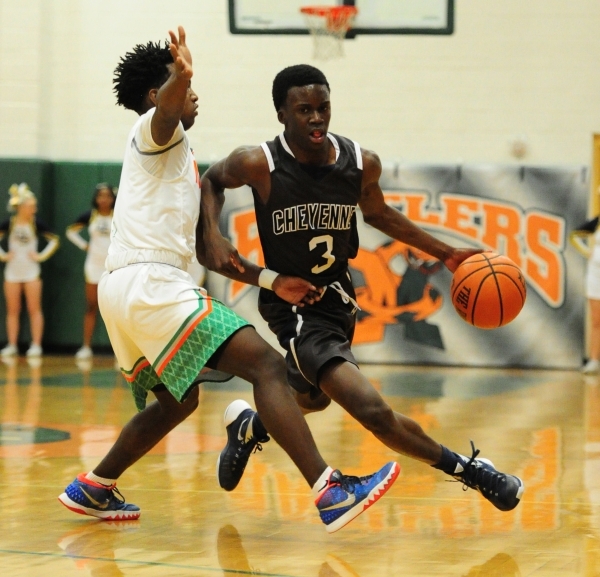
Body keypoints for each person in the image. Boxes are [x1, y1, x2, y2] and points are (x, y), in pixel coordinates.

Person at [58, 29, 399, 534]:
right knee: (267, 365)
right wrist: (182, 76)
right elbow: (169, 108)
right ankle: (329, 490)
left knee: (180, 400)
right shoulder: (158, 131)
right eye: (184, 90)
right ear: (158, 95)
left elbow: (211, 252)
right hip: (151, 283)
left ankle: (95, 485)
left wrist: (268, 279)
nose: (195, 96)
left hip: (128, 289)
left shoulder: (170, 151)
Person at [200, 64, 525, 513]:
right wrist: (212, 232)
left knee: (310, 400)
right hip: (294, 308)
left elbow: (380, 215)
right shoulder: (259, 163)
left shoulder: (359, 161)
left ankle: (251, 426)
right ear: (282, 114)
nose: (317, 118)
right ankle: (471, 470)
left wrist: (446, 253)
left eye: (323, 107)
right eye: (304, 110)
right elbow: (212, 180)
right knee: (372, 411)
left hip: (339, 302)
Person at [0, 183, 60, 357]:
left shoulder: (36, 224)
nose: (34, 209)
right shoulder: (9, 224)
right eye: (31, 206)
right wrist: (3, 256)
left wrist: (40, 256)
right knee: (12, 310)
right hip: (12, 272)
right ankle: (12, 344)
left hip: (31, 272)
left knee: (35, 309)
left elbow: (55, 240)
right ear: (21, 207)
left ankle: (36, 344)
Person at [66, 183, 117, 360]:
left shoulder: (118, 216)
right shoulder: (90, 216)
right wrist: (84, 245)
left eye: (108, 195)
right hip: (93, 266)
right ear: (96, 198)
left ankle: (119, 352)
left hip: (112, 266)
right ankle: (86, 346)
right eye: (100, 195)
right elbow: (70, 232)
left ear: (113, 198)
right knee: (91, 306)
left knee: (114, 309)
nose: (104, 199)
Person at [570, 213, 600, 373]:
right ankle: (594, 360)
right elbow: (574, 236)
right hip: (595, 275)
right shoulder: (597, 221)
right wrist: (588, 252)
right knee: (596, 320)